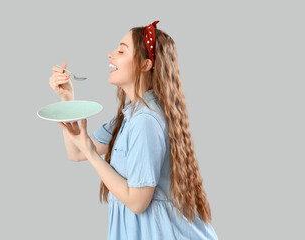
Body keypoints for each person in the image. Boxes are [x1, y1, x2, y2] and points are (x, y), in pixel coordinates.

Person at [49, 20, 219, 240]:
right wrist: (67, 100)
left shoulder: (145, 120)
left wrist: (92, 154)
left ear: (145, 65)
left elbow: (138, 202)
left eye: (121, 50)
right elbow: (77, 152)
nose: (111, 54)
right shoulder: (129, 115)